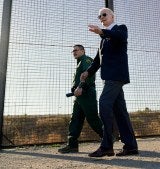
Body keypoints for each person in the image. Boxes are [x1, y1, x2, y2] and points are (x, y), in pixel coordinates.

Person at [80, 8, 138, 157]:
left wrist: (102, 32)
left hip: (116, 76)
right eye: (99, 16)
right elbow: (98, 60)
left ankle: (107, 146)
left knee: (104, 104)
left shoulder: (120, 29)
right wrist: (88, 72)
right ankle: (131, 146)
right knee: (121, 112)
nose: (101, 17)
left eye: (104, 14)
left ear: (113, 16)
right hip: (109, 78)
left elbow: (119, 37)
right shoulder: (103, 39)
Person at [58, 44, 103, 153]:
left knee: (92, 118)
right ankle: (72, 145)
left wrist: (81, 87)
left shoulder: (86, 60)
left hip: (87, 93)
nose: (74, 52)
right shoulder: (79, 62)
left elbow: (88, 75)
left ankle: (108, 137)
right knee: (75, 119)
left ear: (83, 51)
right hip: (79, 95)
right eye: (73, 51)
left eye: (76, 50)